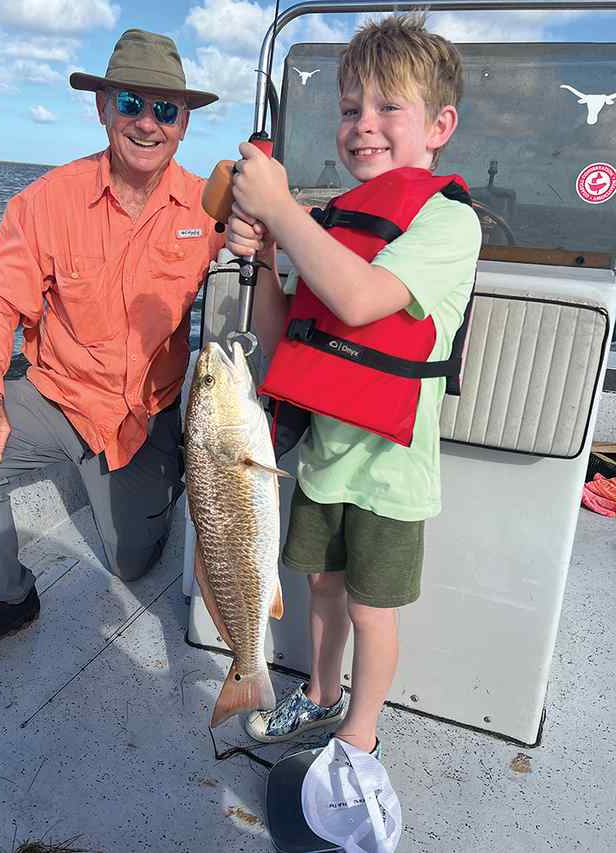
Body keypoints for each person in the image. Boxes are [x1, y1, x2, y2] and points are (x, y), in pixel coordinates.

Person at [226, 13, 481, 755]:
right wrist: (273, 250)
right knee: (323, 590)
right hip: (325, 458)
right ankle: (319, 694)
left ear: (440, 125)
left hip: (390, 475)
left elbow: (364, 298)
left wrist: (279, 209)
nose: (362, 125)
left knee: (371, 610)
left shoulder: (447, 221)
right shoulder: (331, 221)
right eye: (348, 110)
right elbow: (282, 337)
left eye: (386, 107)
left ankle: (359, 737)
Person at [0, 29, 224, 666]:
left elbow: (272, 260)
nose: (147, 123)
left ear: (185, 122)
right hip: (59, 398)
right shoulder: (44, 200)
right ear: (102, 107)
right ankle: (3, 595)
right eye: (130, 104)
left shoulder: (209, 206)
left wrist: (267, 226)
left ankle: (161, 486)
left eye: (165, 110)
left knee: (131, 565)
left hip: (144, 420)